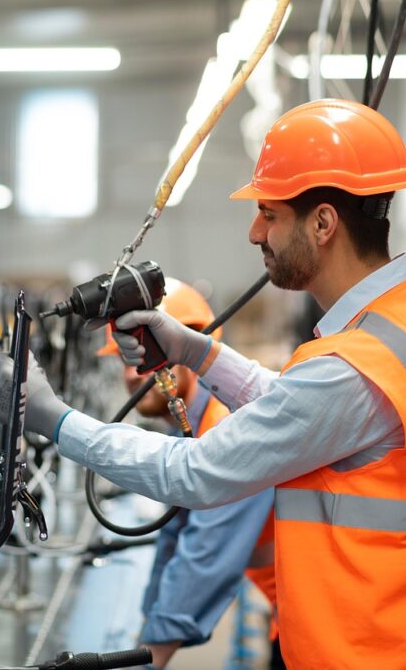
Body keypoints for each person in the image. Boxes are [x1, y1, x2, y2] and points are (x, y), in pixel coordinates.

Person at [0, 99, 406, 669]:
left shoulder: (357, 368)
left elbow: (193, 472)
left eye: (269, 213)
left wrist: (53, 419)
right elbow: (308, 413)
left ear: (323, 223)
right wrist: (196, 350)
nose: (254, 231)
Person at [92, 278, 274, 669]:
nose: (130, 375)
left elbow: (202, 560)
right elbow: (174, 534)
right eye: (125, 360)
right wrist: (143, 630)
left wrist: (147, 659)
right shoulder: (190, 426)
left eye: (141, 358)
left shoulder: (228, 427)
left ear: (182, 347)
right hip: (295, 610)